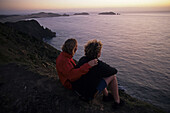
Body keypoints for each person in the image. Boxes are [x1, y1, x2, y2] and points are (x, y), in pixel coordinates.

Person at [72, 39, 124, 108]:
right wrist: (103, 65)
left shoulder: (82, 59)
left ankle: (106, 96)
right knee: (113, 76)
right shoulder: (98, 65)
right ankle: (117, 102)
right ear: (98, 53)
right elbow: (114, 71)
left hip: (78, 90)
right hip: (87, 95)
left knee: (98, 75)